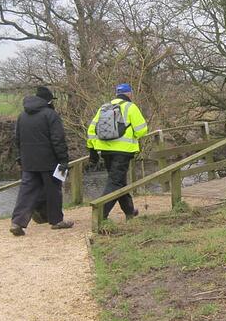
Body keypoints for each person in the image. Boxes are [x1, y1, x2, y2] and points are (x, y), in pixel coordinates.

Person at [10, 86, 74, 236]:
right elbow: (58, 140)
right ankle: (57, 220)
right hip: (49, 161)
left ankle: (17, 222)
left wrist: (21, 158)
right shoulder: (51, 115)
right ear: (49, 100)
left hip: (29, 162)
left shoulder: (22, 116)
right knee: (53, 191)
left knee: (26, 192)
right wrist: (64, 160)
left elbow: (17, 140)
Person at [86, 83, 148, 220]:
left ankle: (130, 211)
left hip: (105, 150)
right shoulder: (130, 107)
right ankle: (100, 214)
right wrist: (133, 135)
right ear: (130, 94)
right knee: (115, 182)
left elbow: (91, 130)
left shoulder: (104, 107)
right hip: (123, 151)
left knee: (119, 181)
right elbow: (142, 129)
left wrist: (93, 150)